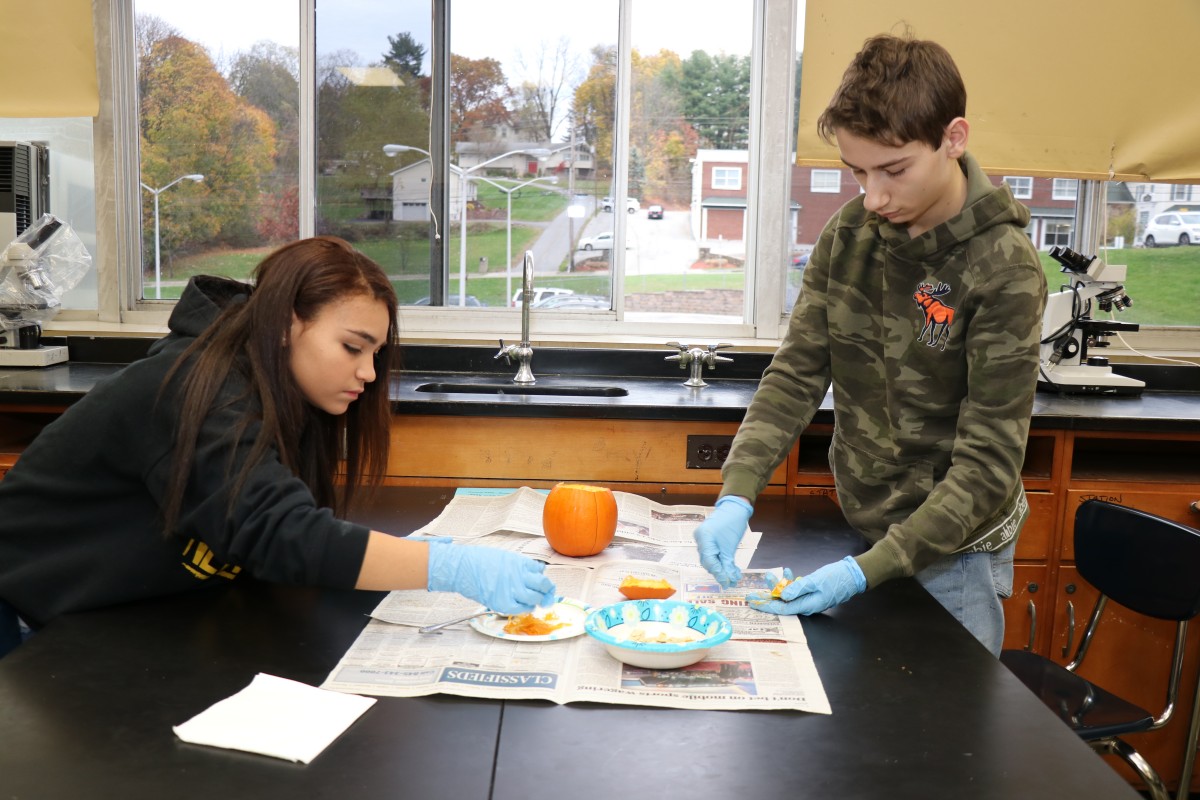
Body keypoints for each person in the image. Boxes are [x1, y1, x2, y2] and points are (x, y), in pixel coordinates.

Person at [0, 236, 555, 656]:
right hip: (25, 621)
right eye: (351, 347)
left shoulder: (278, 389)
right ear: (289, 323)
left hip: (120, 619)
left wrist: (409, 559)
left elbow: (277, 533)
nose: (367, 373)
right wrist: (447, 567)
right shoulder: (197, 386)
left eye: (375, 355)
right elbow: (282, 534)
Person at [693, 33, 1047, 657]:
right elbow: (798, 373)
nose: (875, 197)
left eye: (894, 170)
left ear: (953, 138)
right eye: (857, 172)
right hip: (863, 529)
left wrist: (866, 571)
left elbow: (989, 464)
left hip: (952, 555)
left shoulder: (1005, 269)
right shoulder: (851, 233)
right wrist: (736, 492)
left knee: (945, 741)